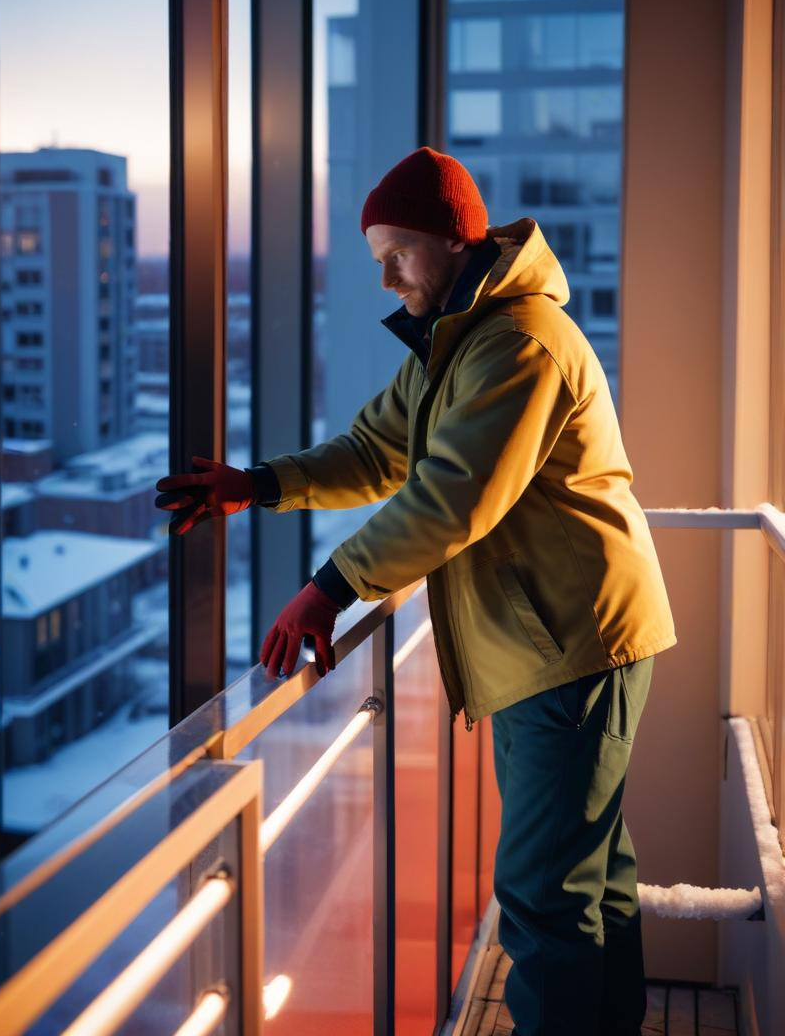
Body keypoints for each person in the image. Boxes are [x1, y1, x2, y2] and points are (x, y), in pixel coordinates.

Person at [155, 146, 676, 1036]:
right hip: (551, 644)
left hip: (572, 645)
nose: (388, 277)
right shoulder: (460, 341)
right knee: (592, 883)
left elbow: (450, 501)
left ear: (451, 240)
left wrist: (329, 588)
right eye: (377, 259)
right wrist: (259, 484)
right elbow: (375, 453)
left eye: (398, 252)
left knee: (547, 903)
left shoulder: (518, 344)